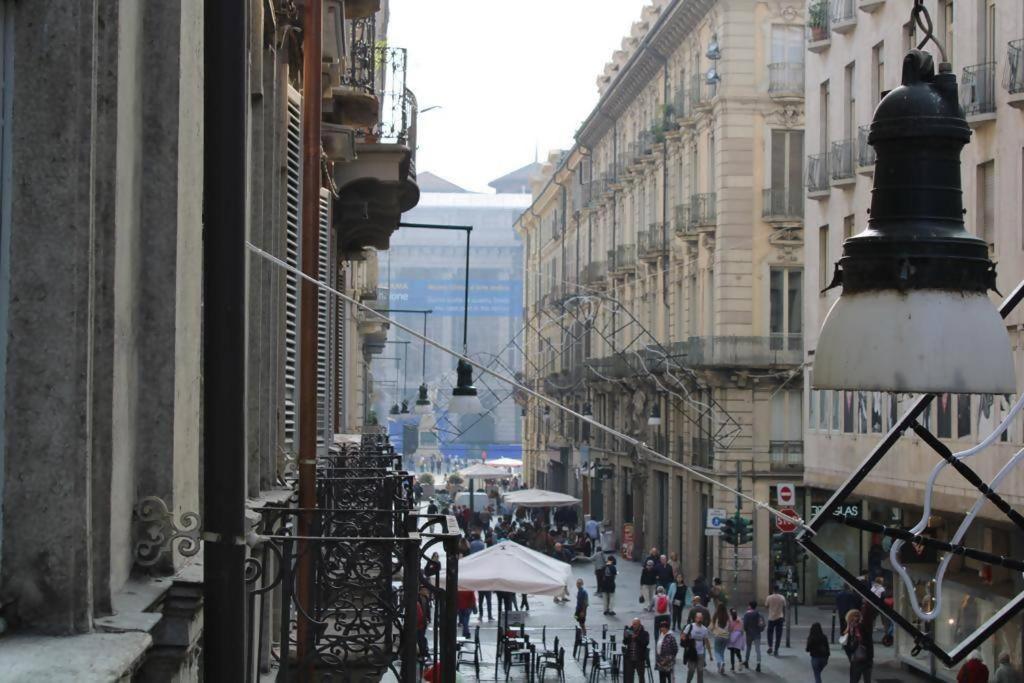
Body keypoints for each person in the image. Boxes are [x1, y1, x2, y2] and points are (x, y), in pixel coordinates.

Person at [842, 609, 874, 683]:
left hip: (858, 659)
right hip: (867, 658)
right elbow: (869, 642)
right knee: (867, 679)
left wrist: (847, 647)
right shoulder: (864, 627)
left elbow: (854, 645)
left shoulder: (854, 629)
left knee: (854, 680)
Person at [681, 610, 712, 683]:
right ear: (695, 618)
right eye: (698, 618)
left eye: (701, 618)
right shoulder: (690, 626)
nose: (699, 620)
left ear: (703, 619)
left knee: (700, 670)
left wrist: (710, 654)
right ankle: (688, 681)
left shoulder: (704, 629)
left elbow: (707, 642)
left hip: (701, 652)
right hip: (692, 652)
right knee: (691, 670)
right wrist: (688, 639)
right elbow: (683, 636)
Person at [622, 618, 651, 683]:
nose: (633, 626)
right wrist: (626, 636)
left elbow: (645, 643)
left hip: (639, 658)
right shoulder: (629, 631)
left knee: (641, 677)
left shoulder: (644, 633)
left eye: (635, 624)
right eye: (633, 624)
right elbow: (625, 642)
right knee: (629, 677)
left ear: (639, 625)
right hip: (630, 658)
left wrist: (636, 638)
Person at [742, 600, 765, 672]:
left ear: (750, 606)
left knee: (748, 648)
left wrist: (746, 630)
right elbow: (762, 624)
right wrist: (760, 630)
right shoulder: (759, 614)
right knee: (758, 649)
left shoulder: (746, 614)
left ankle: (746, 661)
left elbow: (744, 625)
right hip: (757, 633)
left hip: (749, 634)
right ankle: (758, 664)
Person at [765, 587, 787, 656]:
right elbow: (784, 607)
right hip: (780, 617)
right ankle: (776, 650)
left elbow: (766, 606)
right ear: (778, 590)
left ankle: (770, 647)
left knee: (769, 633)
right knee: (778, 635)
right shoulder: (782, 597)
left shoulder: (769, 597)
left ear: (773, 590)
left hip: (771, 618)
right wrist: (784, 617)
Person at [709, 603, 730, 674]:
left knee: (716, 651)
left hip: (718, 636)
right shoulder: (727, 616)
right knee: (721, 652)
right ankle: (721, 666)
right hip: (726, 636)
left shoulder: (716, 616)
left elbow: (711, 627)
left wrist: (712, 630)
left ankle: (721, 664)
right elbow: (730, 626)